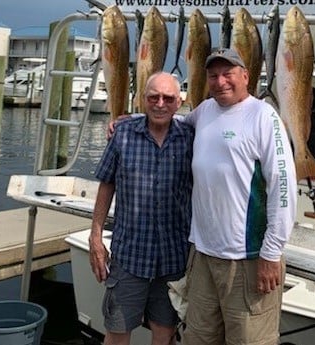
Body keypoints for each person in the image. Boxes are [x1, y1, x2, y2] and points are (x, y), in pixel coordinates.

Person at [180, 48, 297, 345]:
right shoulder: (204, 110)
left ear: (246, 75)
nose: (220, 82)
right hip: (204, 255)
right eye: (213, 76)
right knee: (198, 338)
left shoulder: (263, 116)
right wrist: (129, 120)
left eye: (228, 74)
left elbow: (283, 188)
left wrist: (271, 254)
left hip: (248, 259)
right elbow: (172, 124)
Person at [89, 72, 194, 345]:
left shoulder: (190, 138)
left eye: (168, 98)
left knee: (164, 332)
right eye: (153, 97)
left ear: (178, 102)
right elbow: (106, 184)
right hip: (129, 256)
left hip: (174, 257)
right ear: (142, 100)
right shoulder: (123, 134)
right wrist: (95, 237)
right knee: (117, 331)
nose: (160, 103)